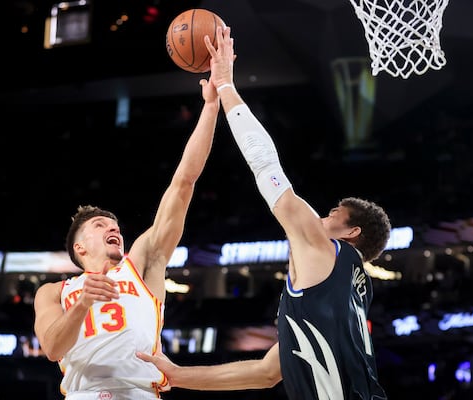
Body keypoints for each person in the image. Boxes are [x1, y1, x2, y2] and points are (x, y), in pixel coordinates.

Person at [137, 25, 391, 400]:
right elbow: (266, 373)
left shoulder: (324, 247)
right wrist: (177, 375)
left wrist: (225, 85)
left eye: (334, 213)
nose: (321, 216)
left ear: (351, 232)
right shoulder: (352, 290)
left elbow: (266, 167)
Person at [33, 73, 220, 399]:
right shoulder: (53, 292)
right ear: (80, 247)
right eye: (100, 225)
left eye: (115, 224)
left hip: (140, 394)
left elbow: (183, 183)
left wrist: (211, 107)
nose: (113, 228)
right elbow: (51, 348)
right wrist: (83, 304)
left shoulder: (142, 262)